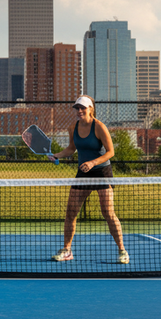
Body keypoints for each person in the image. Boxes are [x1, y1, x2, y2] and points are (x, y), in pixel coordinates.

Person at [48, 95, 129, 264]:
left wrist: (93, 162)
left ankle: (122, 251)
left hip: (101, 171)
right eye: (77, 108)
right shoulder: (73, 127)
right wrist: (57, 155)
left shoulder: (99, 127)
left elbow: (110, 152)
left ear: (91, 109)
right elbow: (71, 148)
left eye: (82, 108)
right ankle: (67, 250)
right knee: (71, 212)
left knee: (108, 213)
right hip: (83, 173)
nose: (79, 111)